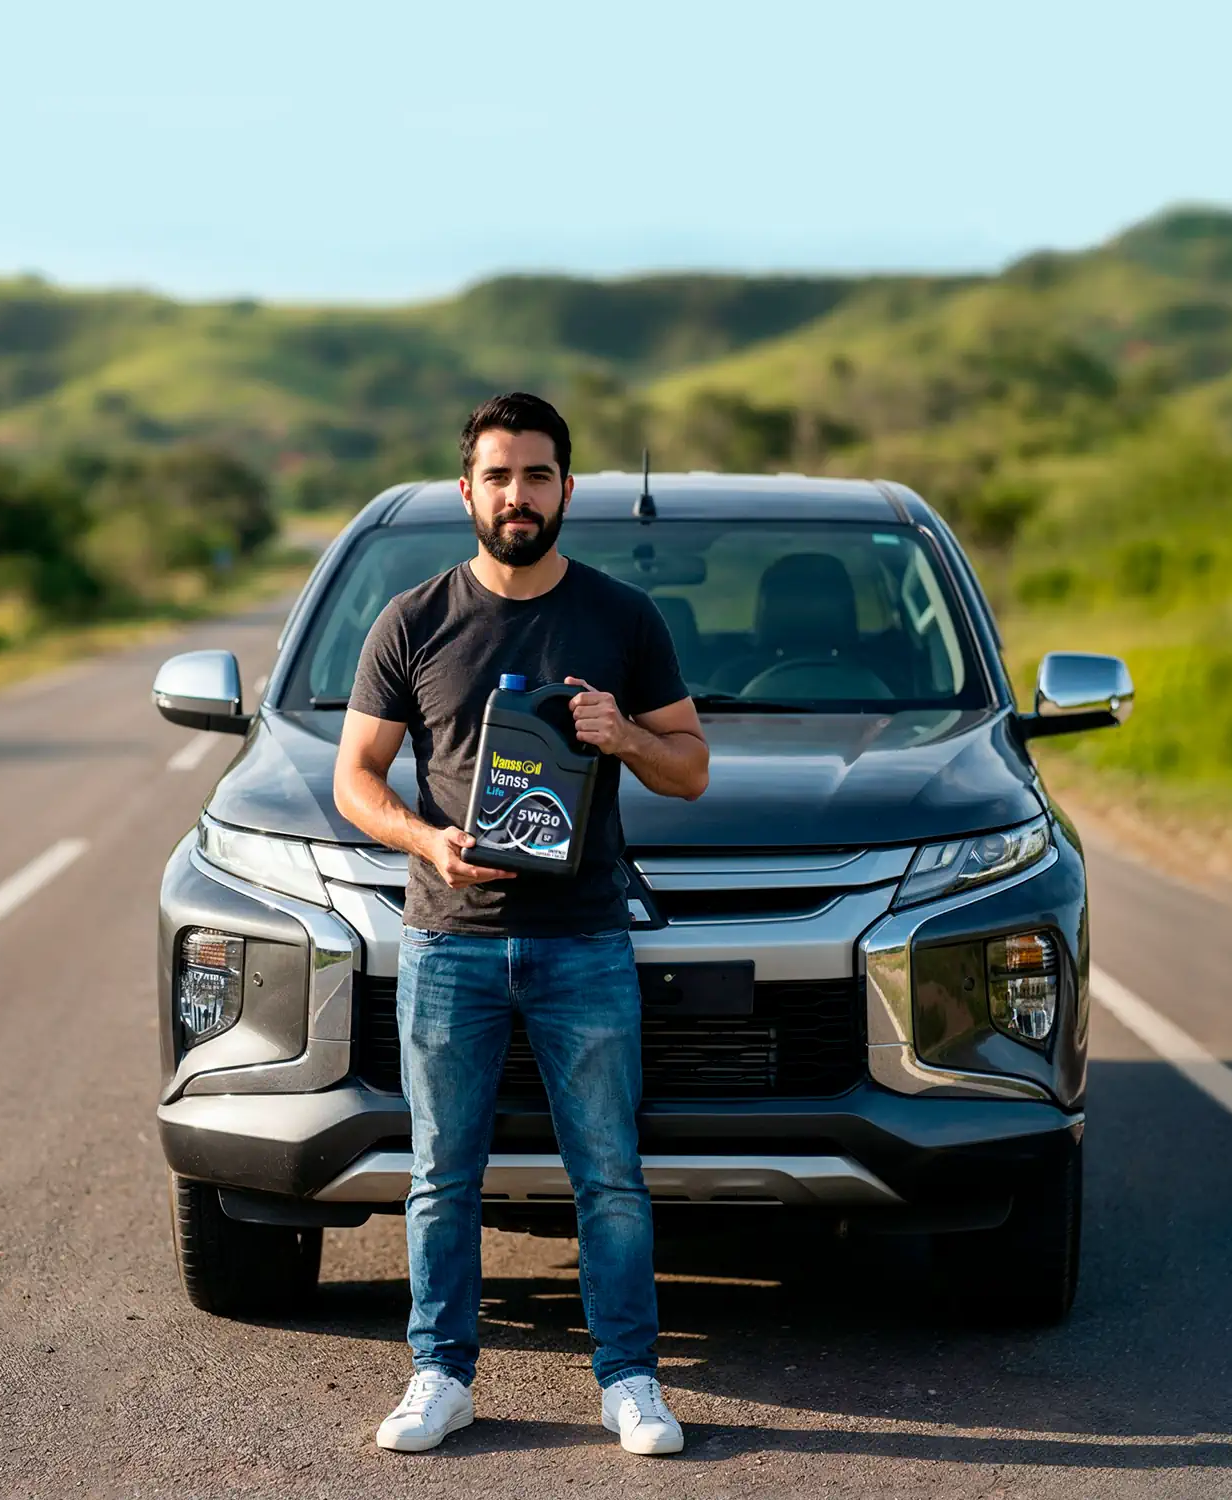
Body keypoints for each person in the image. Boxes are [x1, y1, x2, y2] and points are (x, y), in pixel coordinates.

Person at [333, 392, 709, 1456]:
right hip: (448, 935)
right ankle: (439, 1374)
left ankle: (630, 1380)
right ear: (469, 492)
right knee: (442, 1173)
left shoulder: (622, 620)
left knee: (610, 1176)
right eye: (498, 476)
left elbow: (691, 770)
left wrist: (624, 733)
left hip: (583, 935)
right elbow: (355, 778)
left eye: (536, 475)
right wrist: (421, 840)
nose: (517, 495)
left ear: (565, 491)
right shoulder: (413, 620)